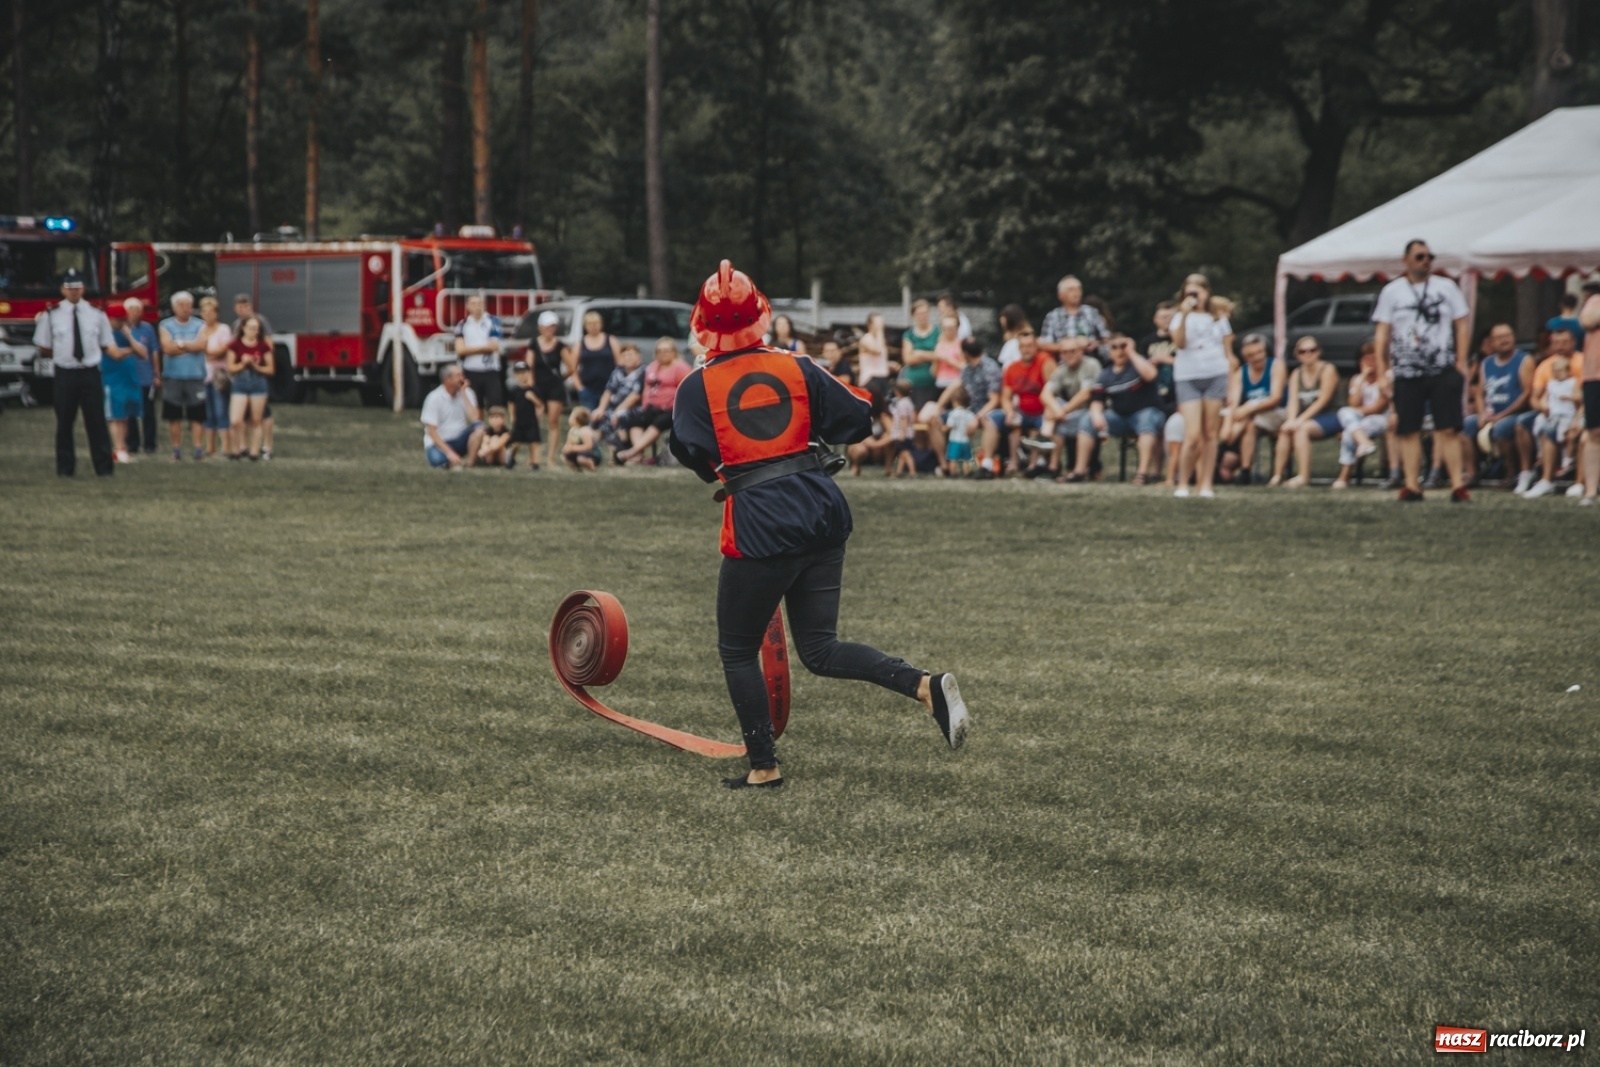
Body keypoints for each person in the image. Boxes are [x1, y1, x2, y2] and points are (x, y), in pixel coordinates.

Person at [668, 259, 968, 790]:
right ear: (761, 315)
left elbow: (692, 452)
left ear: (703, 324)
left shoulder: (697, 385)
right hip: (821, 509)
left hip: (761, 523)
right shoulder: (797, 364)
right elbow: (857, 417)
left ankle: (764, 765)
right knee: (821, 648)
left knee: (737, 649)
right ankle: (924, 686)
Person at [1372, 239, 1473, 502]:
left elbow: (1461, 325)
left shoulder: (1446, 287)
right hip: (1406, 371)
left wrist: (1461, 362)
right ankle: (1412, 486)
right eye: (1419, 257)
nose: (1425, 261)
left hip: (1442, 367)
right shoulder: (1392, 292)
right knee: (1408, 429)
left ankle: (1456, 486)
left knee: (1448, 427)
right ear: (1405, 260)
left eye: (1429, 256)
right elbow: (1382, 334)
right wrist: (1383, 370)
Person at [33, 269, 115, 477]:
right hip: (65, 373)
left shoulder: (96, 314)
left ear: (83, 288)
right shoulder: (51, 315)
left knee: (96, 420)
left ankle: (104, 467)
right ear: (63, 290)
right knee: (64, 422)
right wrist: (63, 355)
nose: (74, 292)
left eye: (77, 287)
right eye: (69, 288)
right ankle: (65, 468)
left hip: (89, 372)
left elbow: (105, 342)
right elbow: (44, 346)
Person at [1168, 273, 1235, 497]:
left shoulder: (1218, 319)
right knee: (1193, 434)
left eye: (1199, 291)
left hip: (1215, 374)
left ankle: (1205, 484)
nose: (1196, 295)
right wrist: (1185, 315)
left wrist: (1231, 383)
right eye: (1190, 291)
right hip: (1188, 376)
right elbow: (1179, 343)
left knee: (1209, 433)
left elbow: (1229, 353)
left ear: (1207, 292)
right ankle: (1183, 483)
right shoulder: (1178, 317)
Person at [1082, 334, 1162, 485]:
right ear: (1109, 351)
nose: (1120, 351)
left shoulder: (1139, 364)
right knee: (1087, 419)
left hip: (1147, 413)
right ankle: (1079, 471)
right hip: (1120, 417)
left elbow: (1151, 375)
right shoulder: (1105, 374)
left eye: (1123, 346)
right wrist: (1096, 414)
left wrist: (1132, 352)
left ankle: (1142, 474)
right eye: (1115, 347)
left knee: (1146, 419)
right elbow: (1097, 400)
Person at [1461, 323, 1533, 491]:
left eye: (1507, 336)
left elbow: (1526, 394)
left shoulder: (1524, 360)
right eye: (1499, 338)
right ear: (1491, 342)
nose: (1504, 340)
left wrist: (1502, 416)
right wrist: (1481, 413)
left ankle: (1511, 473)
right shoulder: (1486, 363)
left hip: (1516, 413)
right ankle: (1472, 473)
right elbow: (1479, 393)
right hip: (1491, 413)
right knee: (1464, 426)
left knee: (1501, 429)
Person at [1269, 337, 1340, 488]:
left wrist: (1300, 420)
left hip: (1330, 416)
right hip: (1306, 418)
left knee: (1300, 429)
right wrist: (1291, 419)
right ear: (1297, 355)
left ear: (1318, 352)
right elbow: (1293, 401)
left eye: (1312, 350)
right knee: (1285, 430)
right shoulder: (1296, 373)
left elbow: (1323, 401)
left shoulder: (1328, 369)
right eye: (1303, 351)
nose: (1308, 354)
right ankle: (1277, 475)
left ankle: (1303, 476)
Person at [1219, 333, 1284, 485]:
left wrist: (1248, 408)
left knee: (1248, 418)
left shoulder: (1276, 366)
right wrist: (1229, 424)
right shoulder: (1242, 372)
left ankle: (1228, 455)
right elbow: (1233, 402)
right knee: (1247, 423)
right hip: (1253, 417)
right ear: (1245, 357)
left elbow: (1275, 399)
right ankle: (1244, 469)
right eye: (1251, 355)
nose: (1256, 357)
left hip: (1277, 413)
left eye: (1259, 352)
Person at [618, 337, 691, 463]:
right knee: (636, 421)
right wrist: (646, 404)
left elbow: (686, 390)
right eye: (660, 351)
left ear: (674, 351)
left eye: (667, 350)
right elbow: (647, 387)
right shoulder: (652, 367)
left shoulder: (680, 368)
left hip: (672, 410)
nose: (663, 353)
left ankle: (632, 452)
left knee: (657, 423)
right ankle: (638, 454)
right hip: (653, 407)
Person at [994, 328, 1056, 474]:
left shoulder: (1045, 361)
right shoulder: (1012, 368)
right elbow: (1006, 396)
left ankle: (1034, 465)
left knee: (1039, 426)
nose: (1026, 350)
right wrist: (1009, 412)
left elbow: (1053, 389)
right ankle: (998, 463)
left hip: (1042, 410)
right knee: (997, 420)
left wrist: (1049, 408)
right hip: (1022, 411)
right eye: (1023, 346)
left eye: (1030, 346)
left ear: (1036, 347)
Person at [1042, 334, 1102, 482]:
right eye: (1064, 352)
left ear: (1081, 351)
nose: (1069, 355)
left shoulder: (1091, 365)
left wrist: (1061, 412)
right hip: (1071, 414)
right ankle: (1052, 464)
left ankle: (1050, 462)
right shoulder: (1062, 370)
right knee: (1051, 409)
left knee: (1056, 419)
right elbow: (1045, 394)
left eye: (1073, 351)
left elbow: (1085, 394)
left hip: (1094, 412)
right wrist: (1057, 410)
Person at [157, 290, 208, 461]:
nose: (186, 308)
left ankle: (198, 449)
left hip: (195, 375)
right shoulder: (165, 325)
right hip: (173, 376)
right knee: (174, 415)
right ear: (174, 307)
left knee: (197, 416)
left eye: (188, 305)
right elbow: (167, 348)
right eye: (182, 305)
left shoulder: (200, 325)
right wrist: (189, 346)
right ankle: (176, 449)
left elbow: (201, 345)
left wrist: (179, 344)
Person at [1331, 346, 1391, 489]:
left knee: (1347, 418)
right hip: (1361, 422)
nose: (1371, 363)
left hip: (1382, 419)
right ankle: (1364, 442)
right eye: (1366, 359)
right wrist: (1362, 378)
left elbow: (1378, 407)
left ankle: (1344, 476)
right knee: (1348, 427)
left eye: (1374, 359)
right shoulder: (1357, 379)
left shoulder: (1387, 378)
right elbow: (1353, 402)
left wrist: (1355, 411)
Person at [1522, 354, 1578, 499]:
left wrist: (1569, 399)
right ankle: (1541, 456)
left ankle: (1567, 460)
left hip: (1567, 415)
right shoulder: (1551, 384)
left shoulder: (1572, 382)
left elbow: (1579, 398)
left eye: (1560, 371)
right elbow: (1542, 398)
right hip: (1552, 414)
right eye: (1555, 371)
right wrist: (1543, 407)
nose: (1557, 374)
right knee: (1540, 426)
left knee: (1560, 432)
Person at [224, 315, 274, 460]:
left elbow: (270, 370)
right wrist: (243, 364)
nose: (254, 331)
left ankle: (254, 452)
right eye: (251, 328)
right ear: (243, 328)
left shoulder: (264, 346)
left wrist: (255, 365)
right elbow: (231, 368)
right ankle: (236, 450)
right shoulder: (235, 345)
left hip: (258, 383)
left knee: (256, 419)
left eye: (257, 329)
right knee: (235, 420)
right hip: (240, 382)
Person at [420, 364, 485, 469]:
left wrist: (463, 394)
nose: (462, 378)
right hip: (439, 443)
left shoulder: (467, 392)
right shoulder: (434, 398)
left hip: (459, 439)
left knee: (479, 427)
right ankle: (450, 459)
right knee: (439, 462)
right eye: (458, 375)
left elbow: (475, 418)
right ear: (448, 380)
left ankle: (470, 463)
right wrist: (449, 452)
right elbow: (431, 431)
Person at [101, 304, 143, 464]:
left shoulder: (127, 333)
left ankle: (122, 448)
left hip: (129, 379)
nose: (121, 323)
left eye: (123, 319)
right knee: (116, 417)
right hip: (112, 381)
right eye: (118, 320)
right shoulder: (105, 335)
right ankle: (117, 448)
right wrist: (131, 350)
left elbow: (143, 353)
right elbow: (116, 354)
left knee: (125, 417)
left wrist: (130, 338)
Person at [527, 309, 568, 467]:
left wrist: (561, 378)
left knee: (553, 422)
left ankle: (550, 458)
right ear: (540, 328)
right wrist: (531, 385)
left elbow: (571, 366)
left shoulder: (560, 346)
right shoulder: (533, 344)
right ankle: (534, 457)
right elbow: (529, 366)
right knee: (534, 421)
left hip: (554, 387)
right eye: (546, 326)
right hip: (537, 386)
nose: (549, 329)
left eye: (552, 326)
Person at [1039, 275, 1109, 362]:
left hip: (1091, 364)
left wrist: (1095, 344)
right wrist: (1068, 346)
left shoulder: (1092, 312)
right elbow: (1044, 345)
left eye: (1078, 289)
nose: (1076, 292)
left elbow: (1107, 339)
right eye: (1071, 289)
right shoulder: (1052, 316)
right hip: (1063, 367)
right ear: (1060, 295)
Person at [196, 296, 233, 457]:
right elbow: (197, 350)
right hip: (204, 376)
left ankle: (226, 447)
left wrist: (207, 352)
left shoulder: (224, 329)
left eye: (211, 312)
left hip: (219, 376)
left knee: (221, 411)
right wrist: (208, 353)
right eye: (205, 312)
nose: (208, 315)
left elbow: (223, 350)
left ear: (216, 313)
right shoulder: (200, 329)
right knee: (208, 413)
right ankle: (210, 448)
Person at [122, 297, 159, 454]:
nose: (135, 313)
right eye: (132, 310)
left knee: (148, 412)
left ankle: (150, 444)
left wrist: (156, 373)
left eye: (138, 310)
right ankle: (132, 443)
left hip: (146, 377)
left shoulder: (148, 328)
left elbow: (154, 351)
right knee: (130, 412)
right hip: (128, 377)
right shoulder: (122, 329)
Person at [454, 293, 505, 408]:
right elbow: (460, 350)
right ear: (467, 306)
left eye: (479, 303)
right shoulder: (462, 324)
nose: (477, 306)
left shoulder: (493, 322)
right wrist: (483, 348)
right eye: (473, 304)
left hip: (491, 370)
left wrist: (470, 349)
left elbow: (493, 346)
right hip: (471, 370)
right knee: (476, 406)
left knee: (495, 405)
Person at [592, 342, 644, 450]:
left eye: (631, 355)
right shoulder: (618, 371)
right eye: (625, 355)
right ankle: (592, 448)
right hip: (614, 406)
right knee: (597, 416)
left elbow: (636, 396)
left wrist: (617, 411)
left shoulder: (643, 372)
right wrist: (600, 408)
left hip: (634, 407)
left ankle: (622, 447)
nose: (627, 358)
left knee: (619, 416)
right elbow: (608, 391)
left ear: (638, 357)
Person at [565, 310, 616, 410]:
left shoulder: (611, 341)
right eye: (590, 324)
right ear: (585, 326)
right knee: (590, 420)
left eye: (596, 323)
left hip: (608, 389)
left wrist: (616, 386)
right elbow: (572, 369)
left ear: (601, 324)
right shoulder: (579, 344)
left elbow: (620, 365)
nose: (593, 326)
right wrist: (580, 388)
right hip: (588, 389)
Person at [1577, 284, 1600, 505]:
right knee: (1594, 433)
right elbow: (1588, 321)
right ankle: (1590, 491)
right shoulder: (1594, 301)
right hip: (1594, 377)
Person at [899, 299, 941, 409]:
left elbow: (939, 355)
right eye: (919, 313)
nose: (923, 316)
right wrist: (929, 356)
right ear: (913, 316)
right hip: (913, 383)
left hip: (933, 382)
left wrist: (919, 353)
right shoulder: (908, 335)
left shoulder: (938, 332)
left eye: (925, 313)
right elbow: (908, 359)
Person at [1138, 301, 1179, 411]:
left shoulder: (1181, 340)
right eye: (1164, 317)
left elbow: (1190, 364)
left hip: (1177, 390)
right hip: (1154, 392)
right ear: (1155, 319)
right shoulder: (1147, 342)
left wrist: (1167, 360)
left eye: (1171, 317)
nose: (1167, 320)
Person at [506, 361, 543, 469]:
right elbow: (510, 403)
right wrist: (512, 415)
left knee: (533, 442)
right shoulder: (514, 390)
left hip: (531, 420)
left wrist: (533, 399)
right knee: (516, 443)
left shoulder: (534, 390)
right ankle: (511, 458)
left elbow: (540, 405)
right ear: (515, 375)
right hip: (519, 420)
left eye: (524, 372)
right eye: (519, 373)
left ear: (528, 373)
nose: (522, 375)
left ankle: (535, 462)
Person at [855, 312, 895, 407]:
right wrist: (880, 331)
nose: (881, 325)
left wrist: (888, 364)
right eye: (878, 323)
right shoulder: (866, 339)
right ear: (870, 325)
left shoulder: (880, 339)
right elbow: (878, 351)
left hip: (883, 378)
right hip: (870, 379)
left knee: (886, 408)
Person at [944, 386, 977, 476]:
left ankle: (953, 473)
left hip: (955, 440)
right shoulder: (970, 414)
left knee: (953, 458)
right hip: (966, 440)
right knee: (966, 459)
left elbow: (949, 426)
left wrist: (943, 428)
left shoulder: (953, 414)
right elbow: (973, 425)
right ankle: (967, 472)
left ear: (956, 402)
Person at [887, 380, 918, 477]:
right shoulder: (909, 402)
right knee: (902, 454)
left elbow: (904, 419)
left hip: (903, 433)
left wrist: (902, 433)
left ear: (897, 391)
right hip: (909, 432)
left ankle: (913, 472)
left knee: (905, 453)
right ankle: (899, 472)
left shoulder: (902, 404)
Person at [562, 406, 601, 471]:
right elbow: (569, 443)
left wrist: (573, 448)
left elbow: (589, 446)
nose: (569, 418)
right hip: (578, 453)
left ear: (577, 419)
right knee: (565, 456)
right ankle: (576, 468)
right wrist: (566, 449)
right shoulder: (572, 431)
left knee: (581, 459)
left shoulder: (585, 431)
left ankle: (592, 466)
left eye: (571, 416)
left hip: (592, 453)